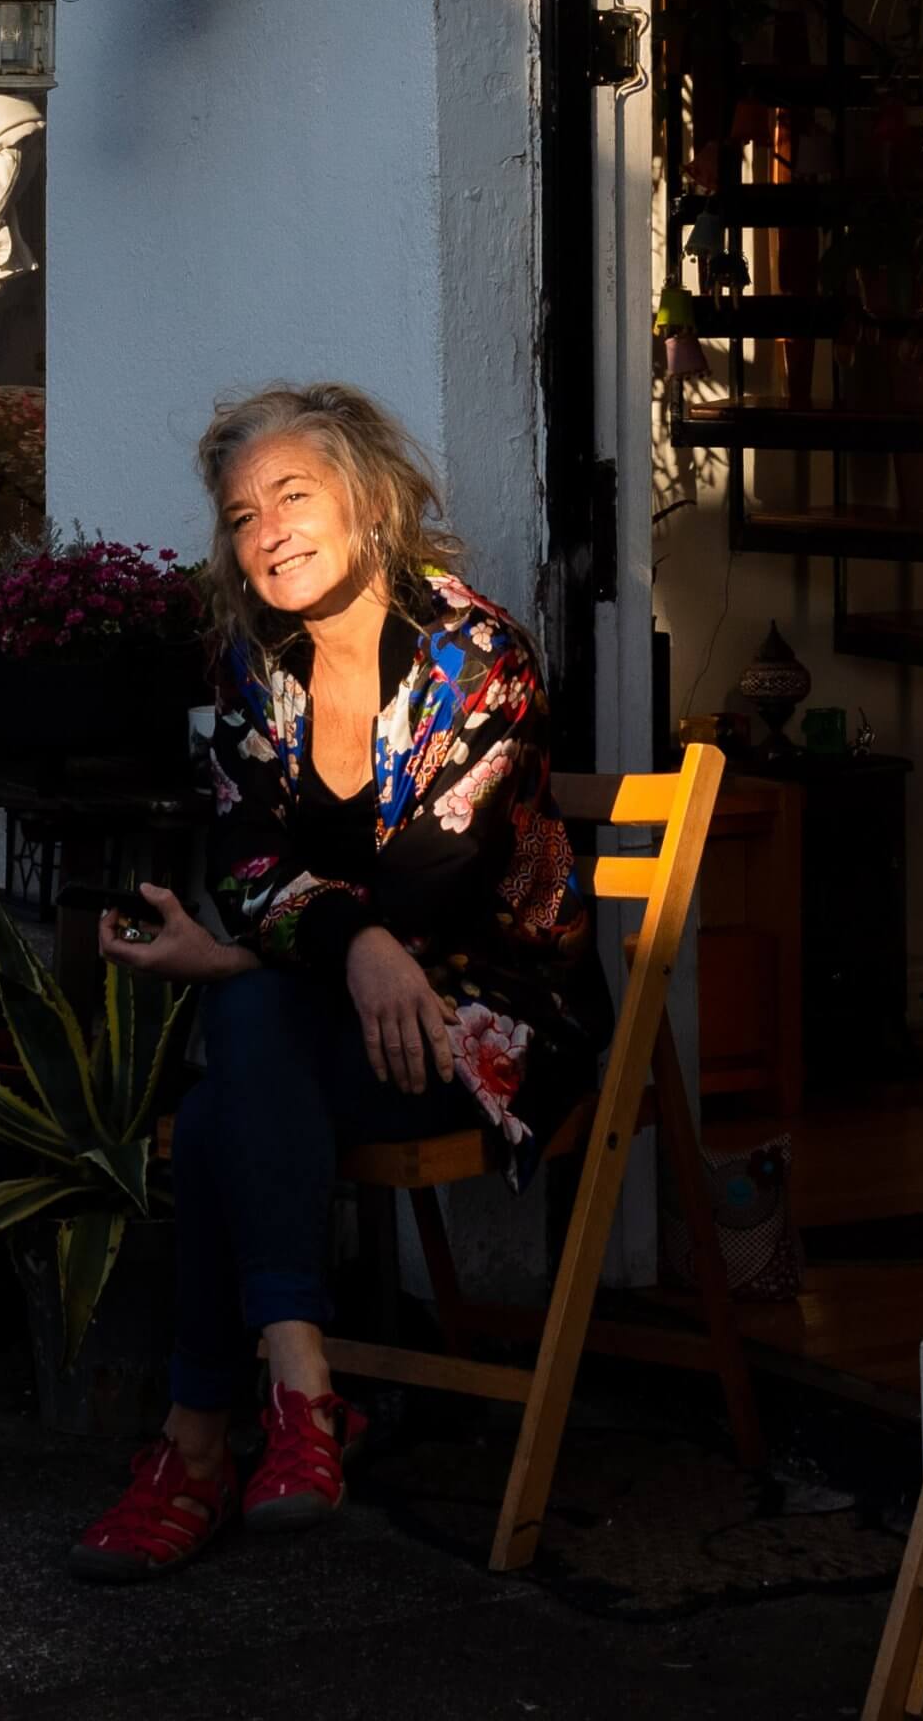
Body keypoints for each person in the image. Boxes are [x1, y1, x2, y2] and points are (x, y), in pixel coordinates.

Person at [70, 382, 613, 1583]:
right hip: (327, 1021)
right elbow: (246, 858)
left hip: (486, 1021)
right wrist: (312, 943)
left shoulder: (477, 653)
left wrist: (271, 945)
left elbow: (438, 872)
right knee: (250, 1034)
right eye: (241, 512)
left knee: (233, 1059)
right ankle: (300, 1392)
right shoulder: (250, 664)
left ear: (368, 499)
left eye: (294, 494)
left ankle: (198, 1441)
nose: (268, 528)